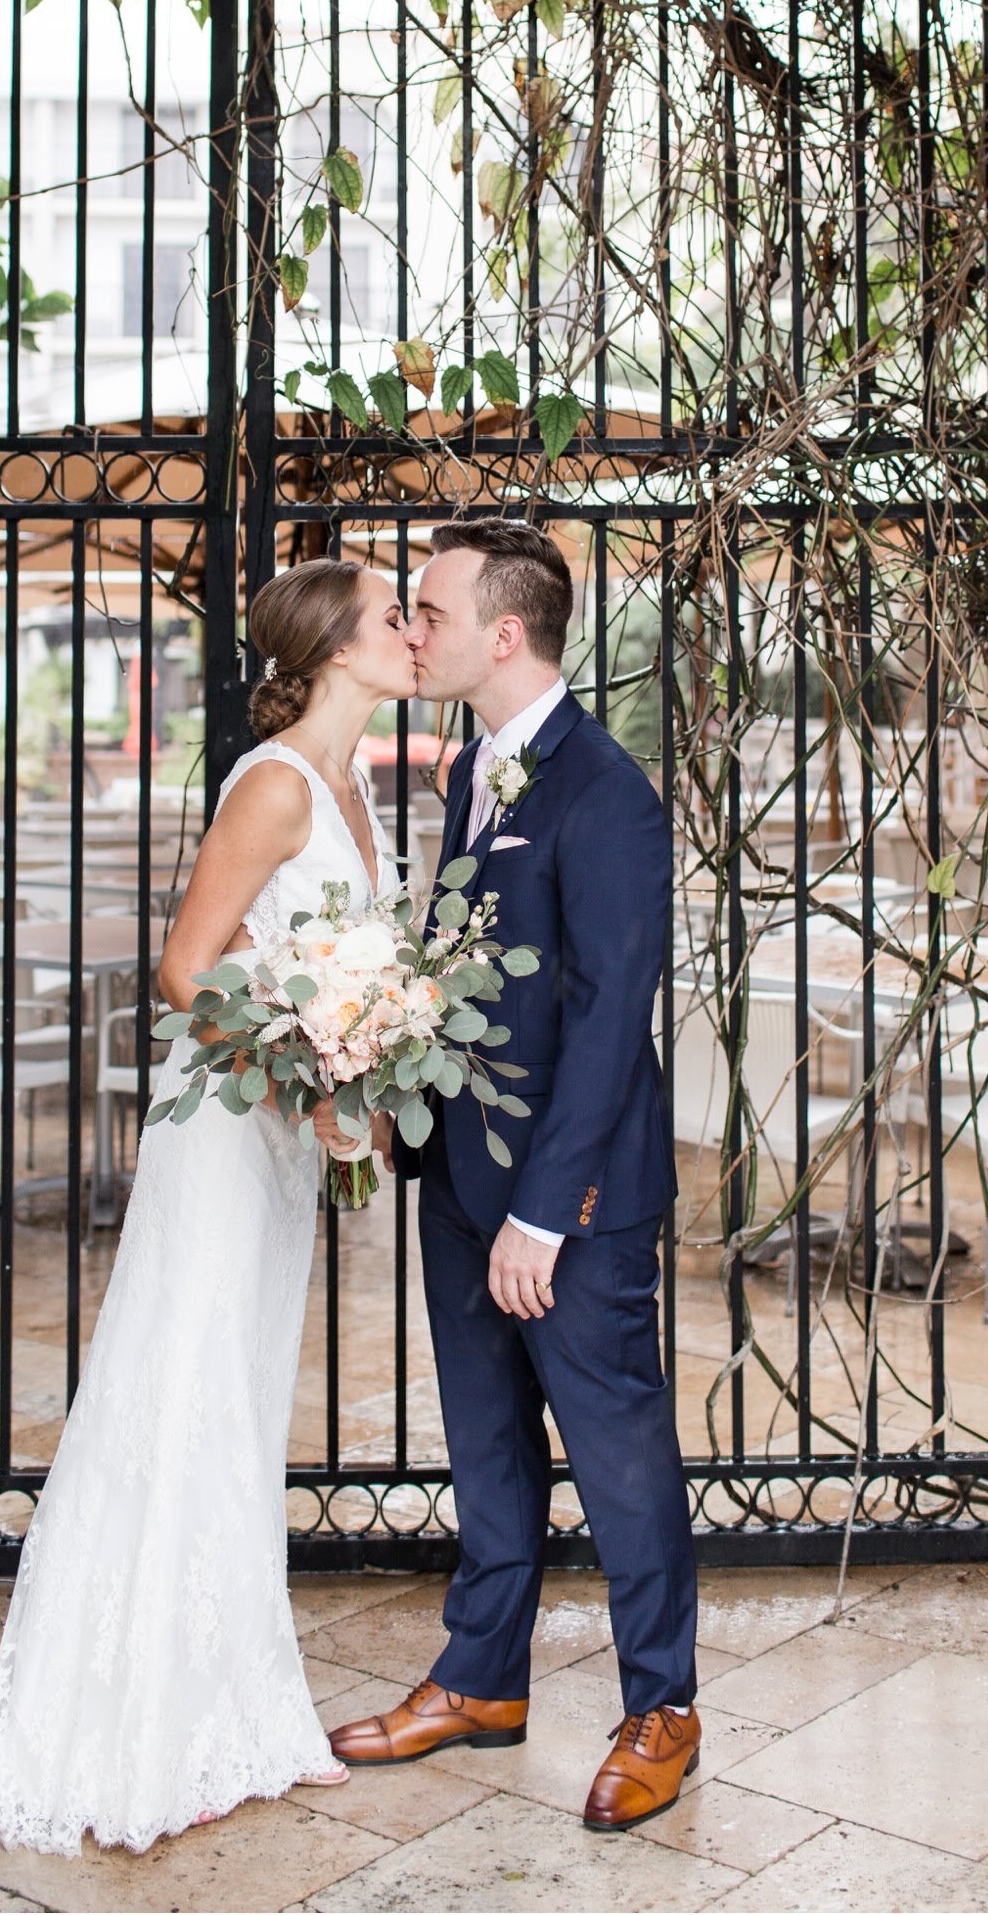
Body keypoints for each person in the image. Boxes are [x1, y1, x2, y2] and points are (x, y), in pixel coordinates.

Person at [0, 557, 414, 1854]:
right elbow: (183, 965)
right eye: (392, 614)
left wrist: (355, 1069)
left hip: (279, 1141)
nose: (410, 630)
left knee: (238, 1402)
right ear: (334, 648)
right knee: (183, 1390)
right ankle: (138, 1728)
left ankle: (240, 1706)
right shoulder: (274, 783)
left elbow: (334, 965)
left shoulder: (352, 780)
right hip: (225, 1134)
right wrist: (304, 1064)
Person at [327, 516, 700, 1835]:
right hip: (458, 1180)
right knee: (487, 1446)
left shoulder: (605, 791)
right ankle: (482, 1679)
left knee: (616, 1446)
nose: (409, 629)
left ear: (504, 630)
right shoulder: (462, 775)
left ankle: (663, 1705)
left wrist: (547, 1210)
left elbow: (609, 1017)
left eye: (426, 609)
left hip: (570, 1202)